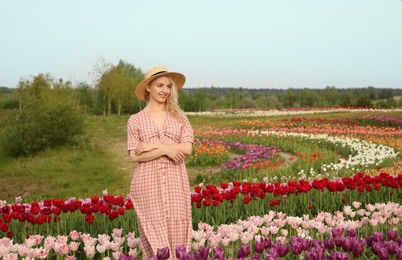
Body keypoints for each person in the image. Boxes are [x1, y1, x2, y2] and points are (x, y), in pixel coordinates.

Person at [127, 66, 194, 259]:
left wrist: (152, 144)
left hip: (176, 180)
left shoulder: (180, 117)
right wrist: (165, 149)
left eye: (168, 86)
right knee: (154, 236)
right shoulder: (136, 120)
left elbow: (187, 148)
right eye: (159, 85)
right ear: (148, 87)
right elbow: (135, 156)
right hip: (146, 182)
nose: (165, 90)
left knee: (178, 228)